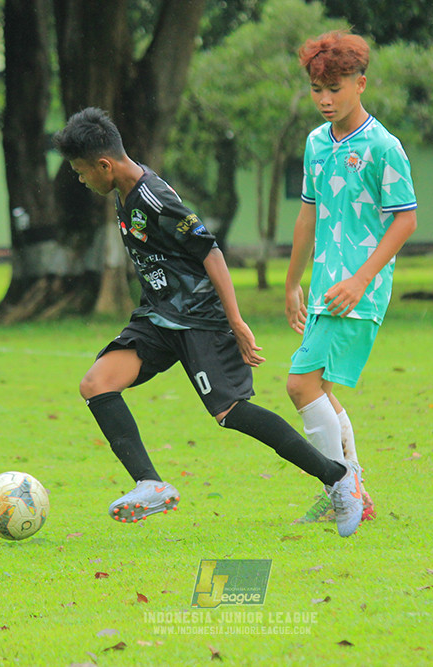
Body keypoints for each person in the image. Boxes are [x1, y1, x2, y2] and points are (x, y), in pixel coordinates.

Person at [53, 107, 365, 537]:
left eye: (82, 172)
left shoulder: (155, 197)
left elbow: (210, 252)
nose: (82, 181)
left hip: (199, 318)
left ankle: (337, 476)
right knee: (96, 384)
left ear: (103, 164)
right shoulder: (122, 193)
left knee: (231, 412)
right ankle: (150, 484)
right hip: (159, 316)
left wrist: (235, 321)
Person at [285, 31, 418, 524]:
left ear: (360, 84)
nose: (324, 99)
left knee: (302, 386)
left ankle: (344, 487)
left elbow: (405, 220)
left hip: (359, 290)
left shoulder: (383, 146)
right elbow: (306, 215)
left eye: (335, 88)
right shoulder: (316, 143)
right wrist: (291, 281)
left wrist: (362, 279)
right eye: (317, 89)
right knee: (319, 389)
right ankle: (351, 490)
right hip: (323, 287)